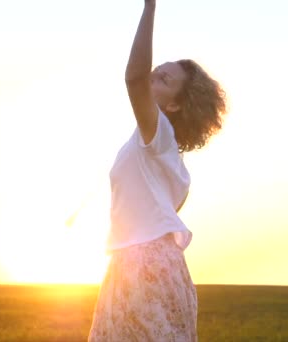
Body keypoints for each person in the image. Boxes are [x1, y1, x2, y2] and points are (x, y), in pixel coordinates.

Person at [87, 0, 227, 341]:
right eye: (156, 71)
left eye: (162, 78)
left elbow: (133, 78)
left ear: (174, 105)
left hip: (144, 269)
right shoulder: (169, 161)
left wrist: (150, 6)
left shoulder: (158, 135)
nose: (151, 76)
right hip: (132, 267)